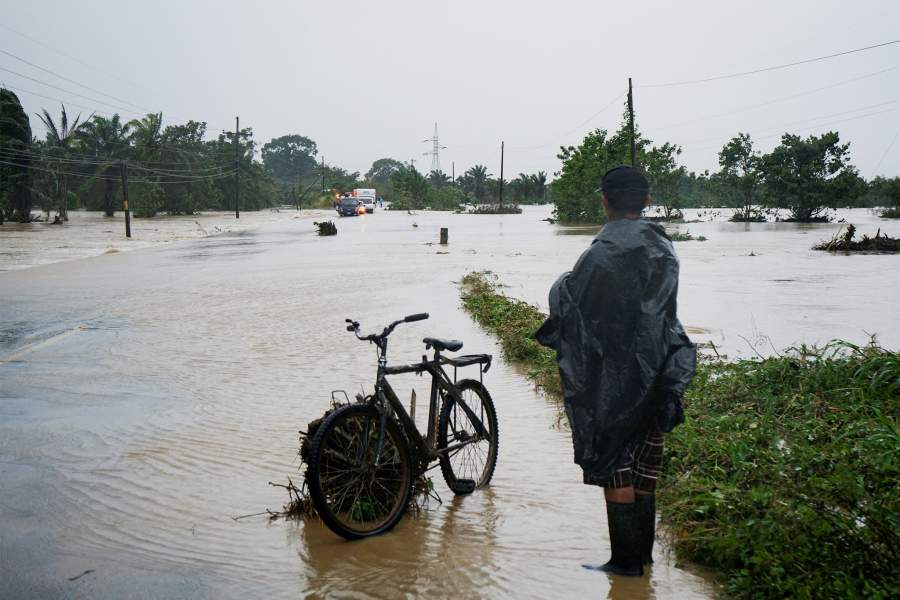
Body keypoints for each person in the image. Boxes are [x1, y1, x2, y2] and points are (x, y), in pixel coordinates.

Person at [536, 165, 696, 577]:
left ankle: (625, 563)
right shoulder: (665, 247)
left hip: (614, 379)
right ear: (646, 201)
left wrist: (560, 284)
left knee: (616, 465)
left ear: (604, 201)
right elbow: (662, 312)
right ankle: (642, 557)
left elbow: (574, 309)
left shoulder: (597, 254)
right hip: (660, 368)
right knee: (646, 464)